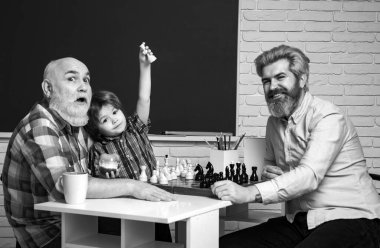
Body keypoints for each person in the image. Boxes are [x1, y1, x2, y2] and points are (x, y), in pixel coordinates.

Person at [211, 45, 380, 248]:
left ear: (302, 79)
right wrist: (272, 175)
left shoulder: (328, 117)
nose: (272, 87)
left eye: (280, 77)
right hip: (300, 221)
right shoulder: (273, 123)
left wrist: (249, 193)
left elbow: (308, 176)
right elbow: (271, 169)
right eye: (266, 81)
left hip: (352, 217)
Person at [2, 56, 175, 248]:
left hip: (77, 221)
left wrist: (102, 164)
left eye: (86, 79)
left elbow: (93, 158)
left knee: (145, 232)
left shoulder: (74, 125)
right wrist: (133, 186)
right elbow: (67, 188)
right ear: (48, 89)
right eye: (71, 78)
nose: (83, 86)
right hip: (49, 235)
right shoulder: (39, 127)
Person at [85, 44, 172, 242]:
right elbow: (94, 179)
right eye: (105, 120)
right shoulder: (97, 148)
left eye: (115, 112)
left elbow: (144, 98)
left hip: (151, 202)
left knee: (160, 242)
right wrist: (103, 171)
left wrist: (144, 66)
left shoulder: (135, 128)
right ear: (96, 128)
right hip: (118, 211)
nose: (114, 119)